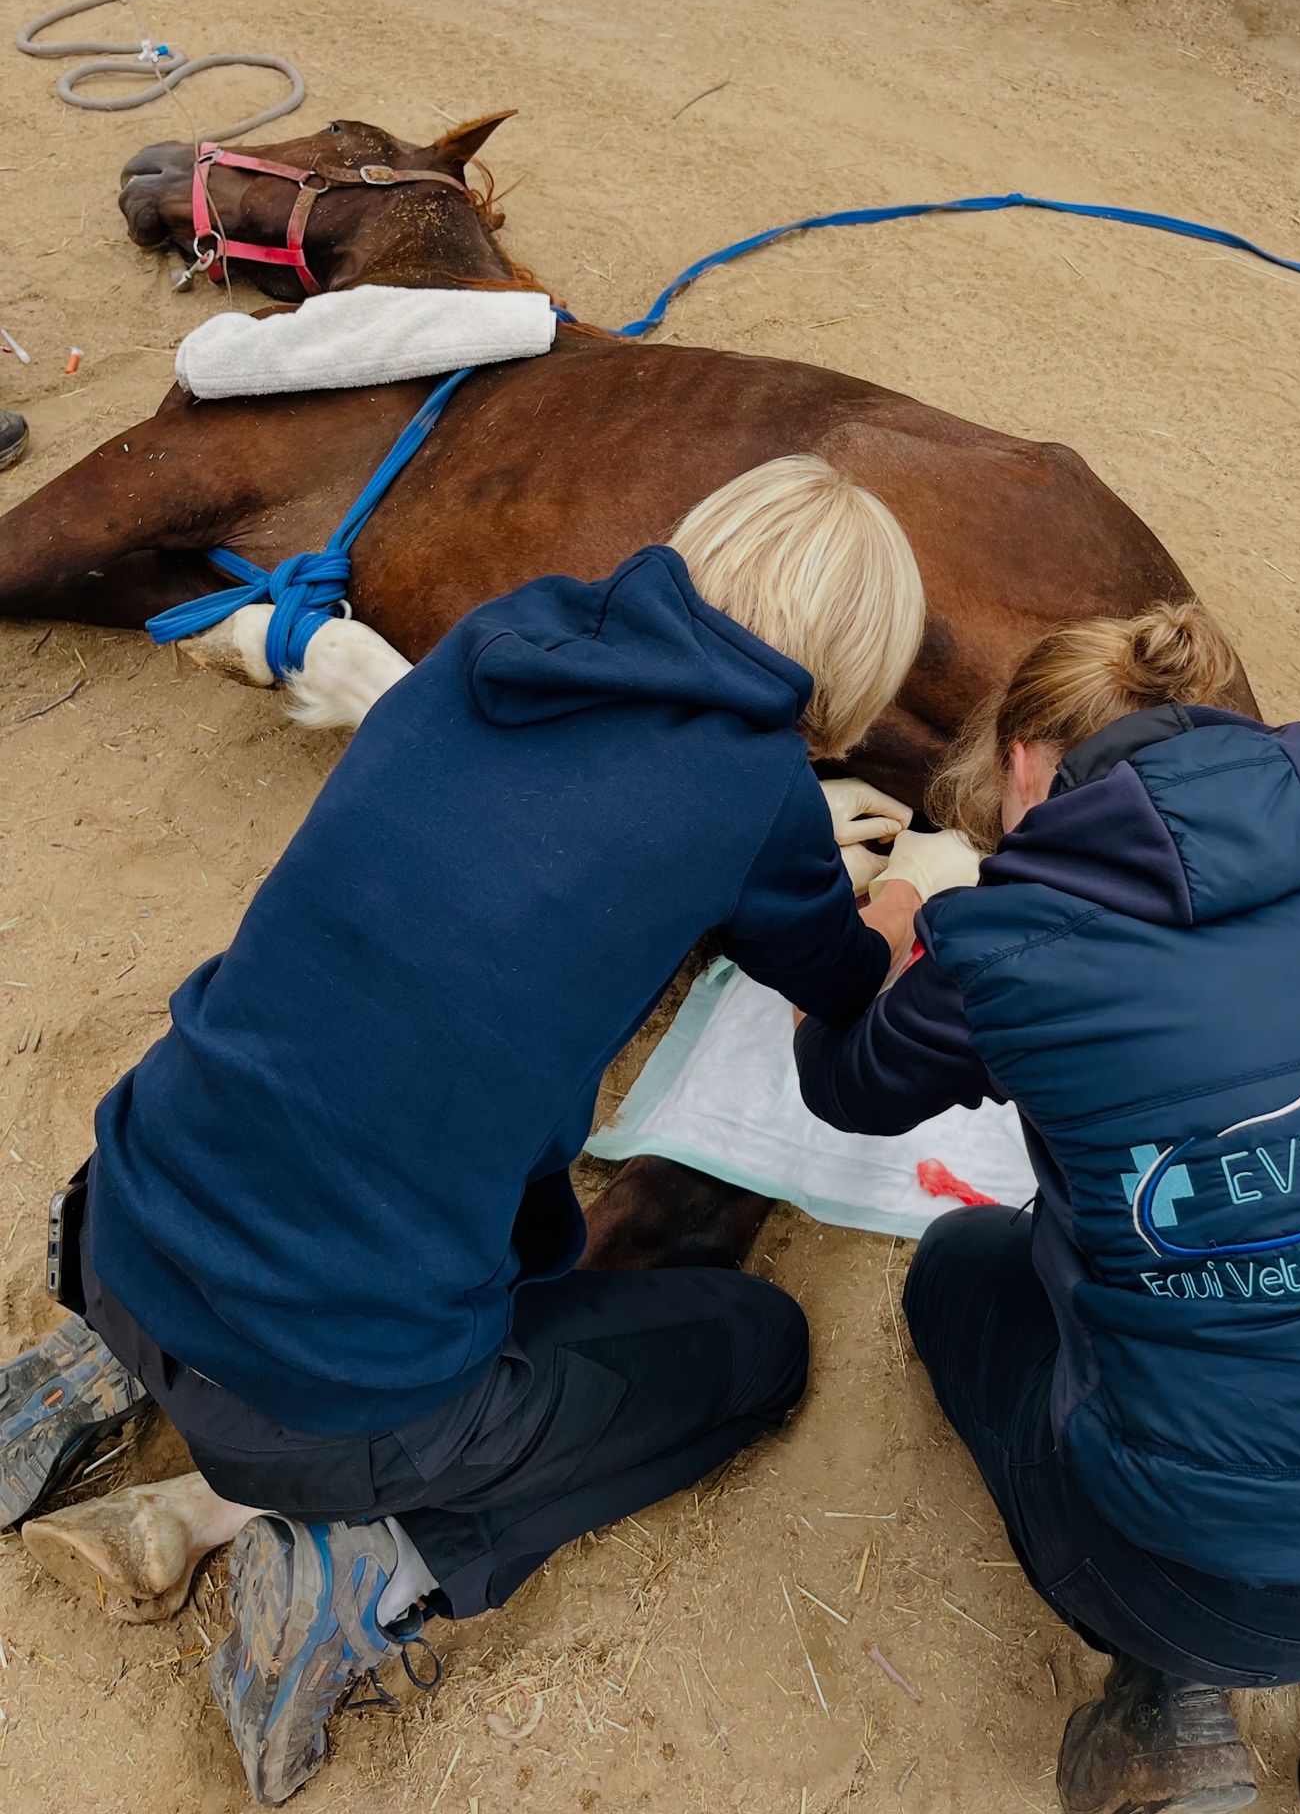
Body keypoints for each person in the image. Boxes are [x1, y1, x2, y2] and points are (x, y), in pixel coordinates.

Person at [0, 455, 963, 1806]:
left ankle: (93, 1365)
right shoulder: (750, 793)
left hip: (120, 1215)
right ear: (850, 666)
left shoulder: (497, 643)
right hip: (325, 1390)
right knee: (756, 1351)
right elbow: (847, 989)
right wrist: (910, 892)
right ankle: (367, 1554)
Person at [797, 602, 1300, 1814]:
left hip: (1196, 1585)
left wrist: (883, 926)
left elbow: (843, 1081)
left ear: (1029, 760)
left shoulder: (1012, 933)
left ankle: (1166, 1710)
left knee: (962, 1274)